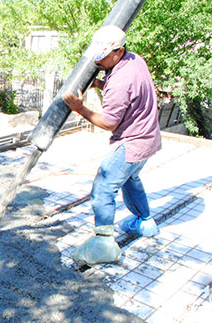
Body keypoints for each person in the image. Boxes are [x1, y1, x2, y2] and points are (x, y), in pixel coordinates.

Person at [62, 25, 161, 265]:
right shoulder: (134, 61)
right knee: (130, 179)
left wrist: (79, 108)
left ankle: (105, 244)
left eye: (103, 56)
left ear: (119, 51)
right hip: (149, 137)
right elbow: (129, 91)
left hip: (133, 143)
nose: (98, 60)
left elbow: (108, 122)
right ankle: (144, 222)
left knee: (104, 187)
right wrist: (99, 84)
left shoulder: (120, 80)